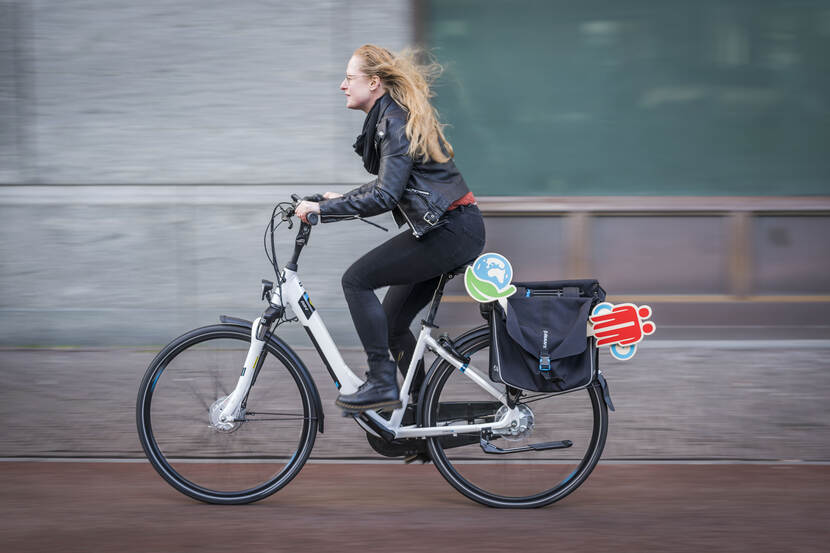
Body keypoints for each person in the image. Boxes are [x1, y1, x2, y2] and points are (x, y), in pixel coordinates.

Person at [295, 44, 485, 413]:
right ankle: (422, 411)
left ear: (375, 83)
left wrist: (324, 208)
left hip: (451, 230)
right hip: (448, 229)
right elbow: (392, 186)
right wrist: (334, 203)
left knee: (356, 280)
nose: (342, 86)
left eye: (349, 79)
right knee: (393, 323)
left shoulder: (393, 122)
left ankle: (381, 380)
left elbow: (384, 195)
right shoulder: (390, 120)